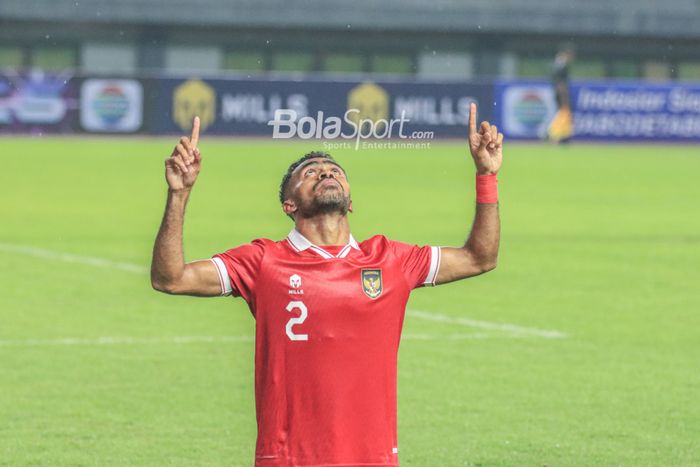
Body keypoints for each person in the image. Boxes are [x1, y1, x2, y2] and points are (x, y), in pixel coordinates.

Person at [150, 103, 503, 467]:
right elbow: (170, 278)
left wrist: (486, 177)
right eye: (310, 172)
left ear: (351, 203)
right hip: (289, 458)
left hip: (373, 458)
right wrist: (179, 194)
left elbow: (480, 258)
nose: (325, 172)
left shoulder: (390, 259)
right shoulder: (263, 261)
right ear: (289, 204)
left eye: (334, 170)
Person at [547, 45, 575, 143]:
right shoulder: (561, 65)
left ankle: (563, 135)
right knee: (564, 112)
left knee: (564, 113)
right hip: (561, 93)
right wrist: (564, 95)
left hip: (559, 92)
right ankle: (554, 133)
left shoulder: (557, 63)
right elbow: (560, 82)